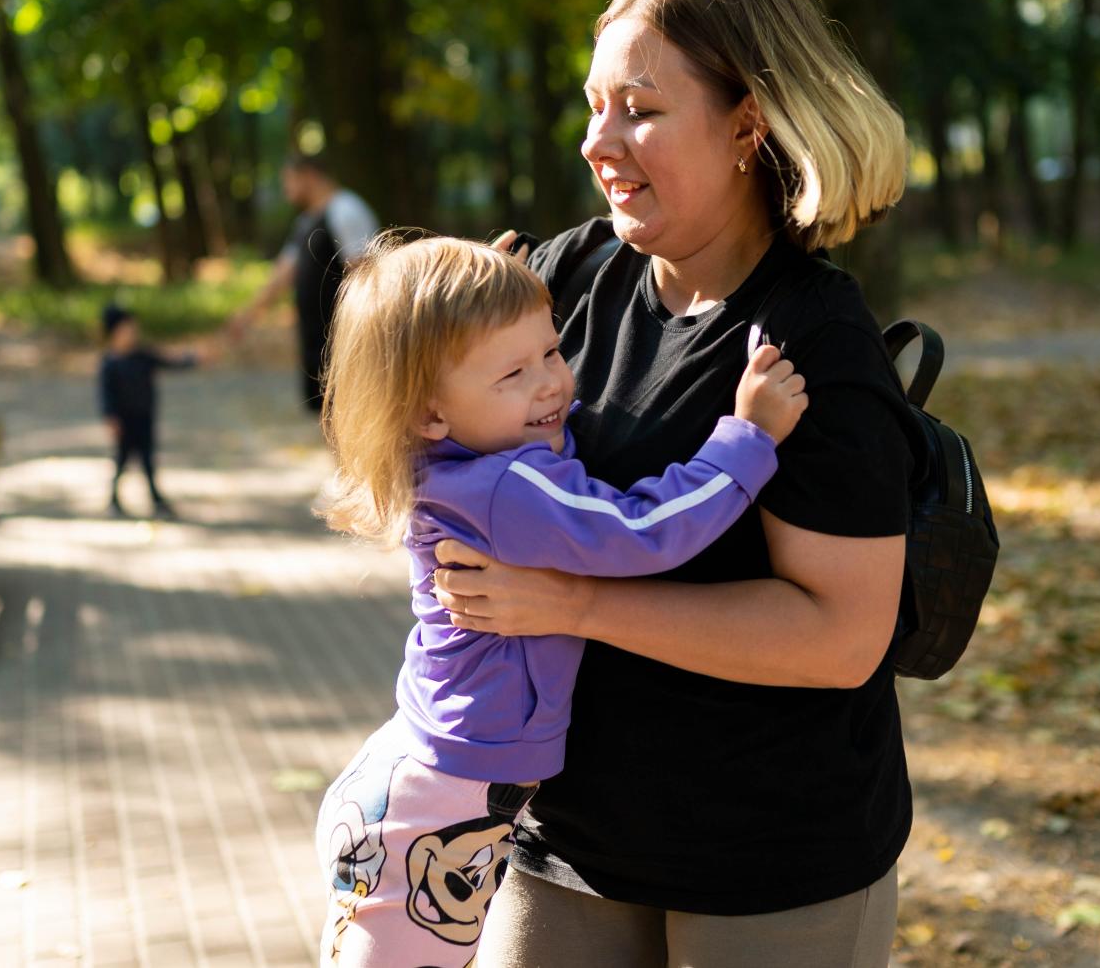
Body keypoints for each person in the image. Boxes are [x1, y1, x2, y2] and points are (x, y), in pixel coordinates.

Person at [428, 0, 917, 966]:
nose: (596, 143)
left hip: (772, 866)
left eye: (638, 111)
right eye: (592, 107)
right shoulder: (563, 276)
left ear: (747, 125)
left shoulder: (809, 343)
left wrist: (572, 602)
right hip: (565, 843)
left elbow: (840, 636)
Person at [310, 233, 807, 967]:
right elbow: (645, 530)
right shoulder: (509, 487)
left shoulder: (457, 460)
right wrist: (747, 437)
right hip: (444, 809)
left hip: (422, 779)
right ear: (427, 413)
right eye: (513, 371)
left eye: (551, 350)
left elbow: (533, 430)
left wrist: (486, 331)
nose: (551, 383)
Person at [228, 156, 381, 412]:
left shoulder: (346, 209)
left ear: (308, 175)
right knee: (327, 412)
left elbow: (364, 271)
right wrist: (247, 316)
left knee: (351, 411)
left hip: (345, 335)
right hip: (316, 339)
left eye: (288, 181)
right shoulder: (306, 221)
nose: (286, 189)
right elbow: (283, 274)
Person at [98, 303, 198, 519]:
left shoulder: (142, 356)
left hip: (145, 419)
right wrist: (111, 418)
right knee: (122, 461)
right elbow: (106, 396)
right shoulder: (110, 364)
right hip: (125, 422)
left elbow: (171, 363)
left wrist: (194, 359)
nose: (132, 334)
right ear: (114, 332)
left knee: (148, 461)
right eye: (127, 329)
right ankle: (114, 498)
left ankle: (155, 498)